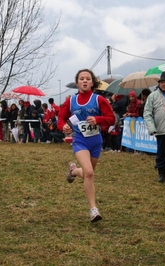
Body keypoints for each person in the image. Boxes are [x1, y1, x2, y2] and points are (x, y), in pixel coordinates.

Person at [57, 68, 115, 222]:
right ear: (77, 83)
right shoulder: (71, 101)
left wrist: (98, 119)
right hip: (80, 139)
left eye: (87, 79)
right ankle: (93, 210)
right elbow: (60, 119)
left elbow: (111, 118)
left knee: (88, 173)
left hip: (95, 141)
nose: (84, 81)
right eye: (81, 78)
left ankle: (74, 171)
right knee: (89, 173)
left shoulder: (99, 100)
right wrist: (64, 127)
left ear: (92, 82)